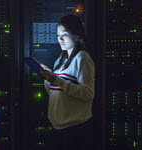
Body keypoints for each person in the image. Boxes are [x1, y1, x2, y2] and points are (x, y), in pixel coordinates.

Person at [39, 14, 95, 150]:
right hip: (57, 128)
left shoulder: (82, 58)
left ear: (76, 34)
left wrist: (56, 79)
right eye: (58, 35)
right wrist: (48, 79)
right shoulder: (60, 60)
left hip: (75, 130)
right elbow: (55, 93)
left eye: (64, 34)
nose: (60, 39)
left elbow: (88, 94)